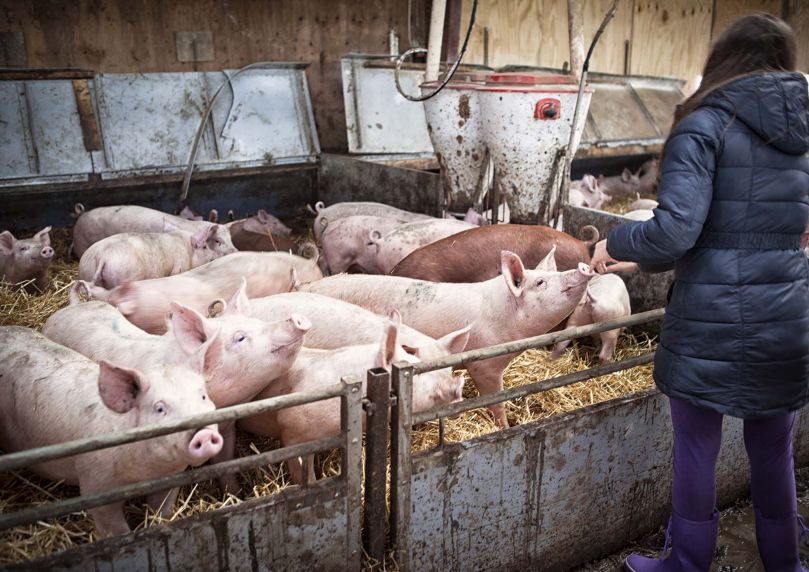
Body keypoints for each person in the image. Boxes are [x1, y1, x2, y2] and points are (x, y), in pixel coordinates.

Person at [590, 13, 809, 572]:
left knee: (696, 448)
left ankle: (686, 563)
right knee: (772, 447)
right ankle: (785, 561)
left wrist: (616, 239)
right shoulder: (803, 131)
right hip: (786, 310)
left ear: (723, 59)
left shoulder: (706, 124)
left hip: (712, 312)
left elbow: (673, 233)